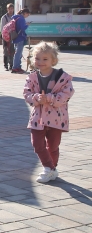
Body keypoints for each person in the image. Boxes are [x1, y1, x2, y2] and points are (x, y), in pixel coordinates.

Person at [22, 41, 74, 183]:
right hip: (37, 118)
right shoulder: (32, 77)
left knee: (53, 146)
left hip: (57, 118)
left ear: (53, 60)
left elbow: (67, 94)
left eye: (45, 59)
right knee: (37, 144)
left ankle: (52, 168)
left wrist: (49, 98)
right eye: (37, 58)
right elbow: (26, 94)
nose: (40, 62)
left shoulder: (63, 77)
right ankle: (48, 168)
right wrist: (37, 98)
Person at [10, 8, 31, 74]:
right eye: (28, 14)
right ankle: (16, 67)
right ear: (25, 13)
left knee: (17, 53)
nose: (28, 16)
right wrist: (27, 25)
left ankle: (17, 67)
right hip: (20, 37)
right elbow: (22, 28)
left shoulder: (16, 17)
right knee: (18, 53)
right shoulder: (21, 18)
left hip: (15, 37)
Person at [0, 3, 15, 71]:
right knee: (6, 50)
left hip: (12, 36)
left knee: (12, 50)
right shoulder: (4, 17)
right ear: (7, 9)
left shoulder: (15, 17)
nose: (11, 10)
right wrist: (4, 35)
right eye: (9, 9)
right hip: (5, 36)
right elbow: (2, 28)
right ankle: (5, 65)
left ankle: (11, 64)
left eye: (12, 9)